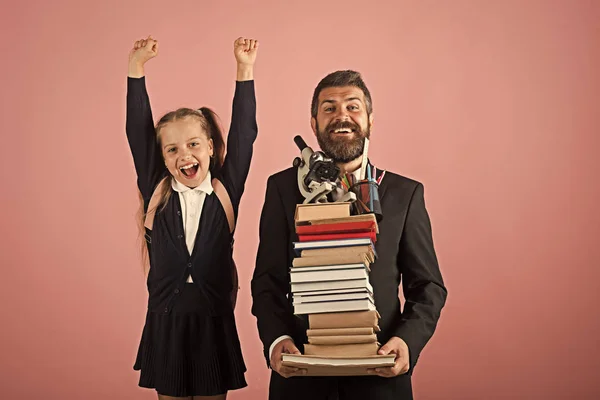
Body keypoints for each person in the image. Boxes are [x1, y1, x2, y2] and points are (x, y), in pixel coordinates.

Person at [251, 70, 447, 399]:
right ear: (313, 124)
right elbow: (267, 281)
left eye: (353, 107)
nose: (342, 115)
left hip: (380, 379)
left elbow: (428, 288)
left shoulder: (405, 194)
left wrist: (406, 343)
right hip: (301, 379)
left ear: (369, 120)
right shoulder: (282, 189)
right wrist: (276, 341)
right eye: (329, 108)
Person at [126, 35, 258, 399]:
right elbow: (137, 132)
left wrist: (244, 70)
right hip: (166, 321)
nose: (184, 155)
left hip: (212, 320)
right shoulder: (157, 192)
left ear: (211, 148)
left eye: (193, 144)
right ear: (163, 159)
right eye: (172, 149)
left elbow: (245, 134)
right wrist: (135, 69)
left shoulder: (225, 192)